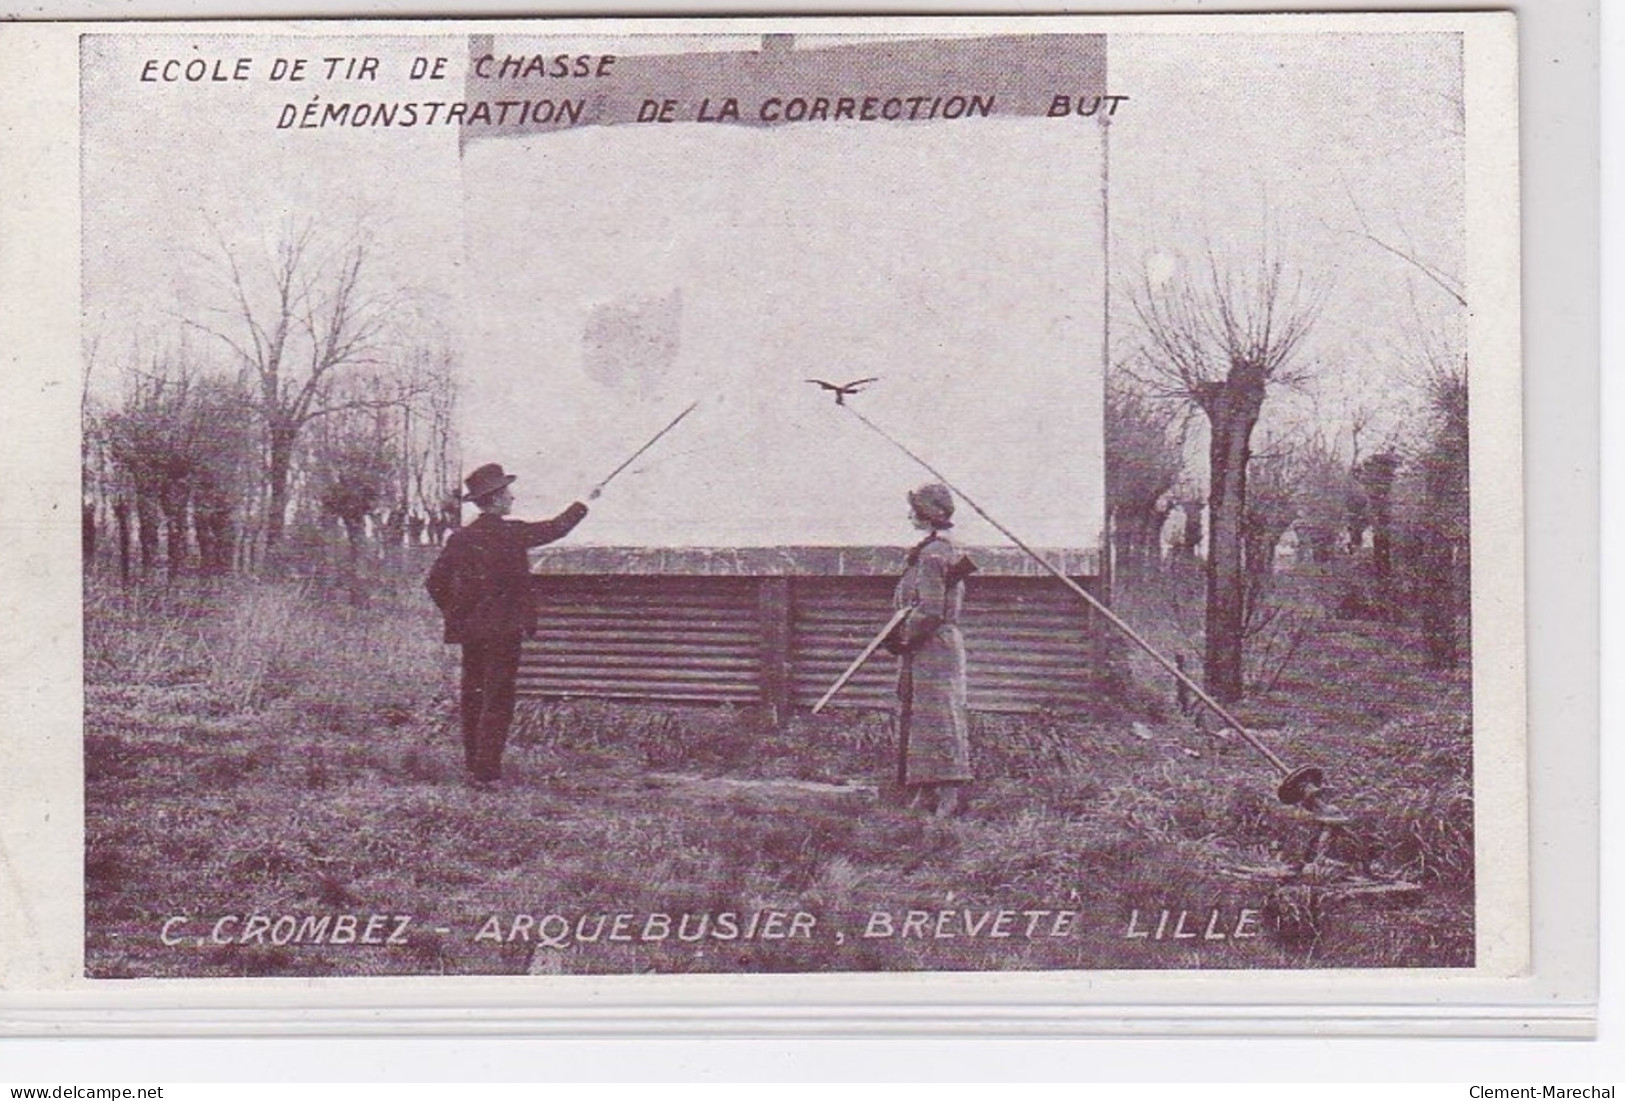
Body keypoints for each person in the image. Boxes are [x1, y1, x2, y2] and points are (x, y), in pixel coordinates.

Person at [425, 463, 594, 788]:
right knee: (498, 699)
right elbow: (557, 527)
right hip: (504, 632)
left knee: (473, 696)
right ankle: (487, 775)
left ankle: (475, 768)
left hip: (472, 632)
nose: (513, 498)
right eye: (508, 493)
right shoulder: (512, 534)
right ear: (497, 500)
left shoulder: (461, 539)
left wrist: (458, 615)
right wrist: (584, 503)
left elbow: (434, 582)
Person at [889, 482, 975, 817]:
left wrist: (902, 637)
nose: (910, 515)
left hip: (934, 647)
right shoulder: (933, 551)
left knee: (939, 716)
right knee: (917, 715)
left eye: (915, 510)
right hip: (924, 648)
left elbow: (930, 610)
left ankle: (949, 795)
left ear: (927, 516)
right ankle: (923, 790)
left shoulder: (933, 555)